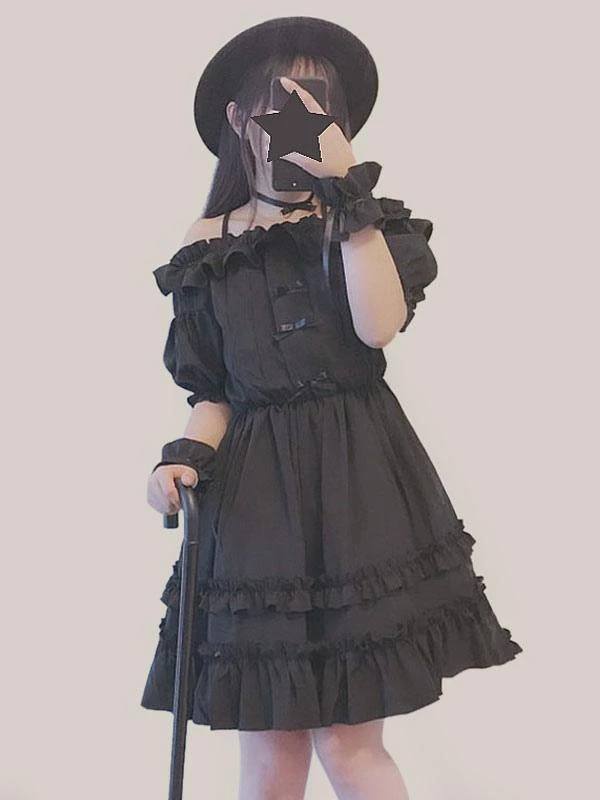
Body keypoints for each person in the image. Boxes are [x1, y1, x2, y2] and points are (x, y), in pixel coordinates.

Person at [141, 16, 523, 800]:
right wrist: (183, 459)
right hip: (256, 506)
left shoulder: (361, 224)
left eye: (318, 107)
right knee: (270, 755)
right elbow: (215, 390)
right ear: (238, 119)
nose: (300, 124)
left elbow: (378, 325)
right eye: (281, 106)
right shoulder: (207, 242)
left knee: (348, 745)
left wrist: (349, 195)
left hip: (357, 490)